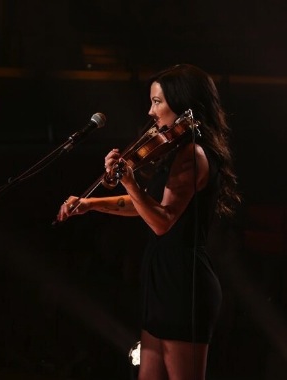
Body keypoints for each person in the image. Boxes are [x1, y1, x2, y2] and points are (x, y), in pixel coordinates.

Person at [56, 64, 240, 380]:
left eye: (157, 102)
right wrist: (89, 203)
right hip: (162, 277)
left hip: (184, 283)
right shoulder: (174, 150)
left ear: (183, 106)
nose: (151, 111)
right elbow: (145, 207)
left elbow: (161, 221)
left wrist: (129, 181)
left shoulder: (193, 154)